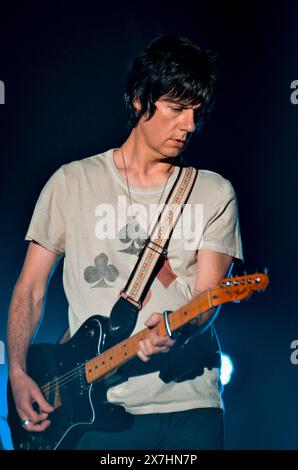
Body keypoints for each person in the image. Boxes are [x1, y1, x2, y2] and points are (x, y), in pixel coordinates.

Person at [7, 34, 243, 450]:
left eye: (196, 113)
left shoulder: (212, 192)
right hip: (89, 410)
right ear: (138, 99)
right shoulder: (71, 182)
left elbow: (208, 301)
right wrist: (18, 372)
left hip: (188, 411)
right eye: (176, 108)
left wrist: (180, 327)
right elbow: (30, 289)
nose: (189, 125)